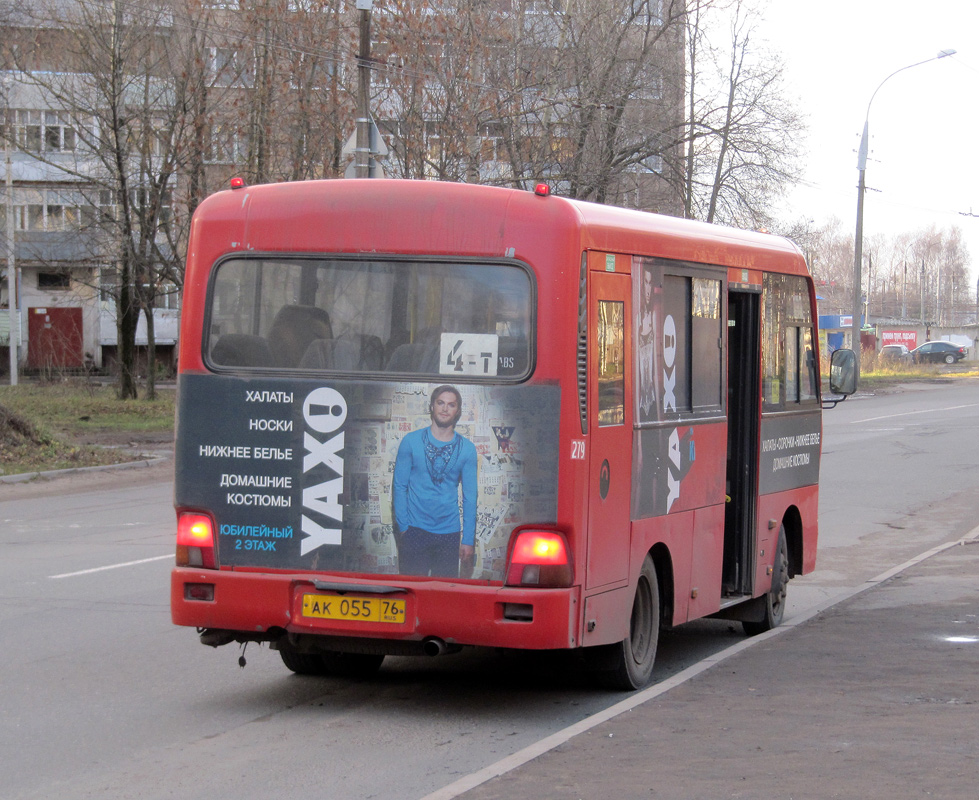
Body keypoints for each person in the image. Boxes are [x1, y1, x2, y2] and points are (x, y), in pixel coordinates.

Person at [392, 385, 478, 578]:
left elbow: (470, 497)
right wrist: (404, 528)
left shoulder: (467, 449)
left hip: (449, 533)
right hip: (414, 531)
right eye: (440, 403)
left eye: (451, 404)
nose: (445, 408)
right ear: (432, 406)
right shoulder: (411, 441)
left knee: (443, 598)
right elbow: (399, 487)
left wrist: (468, 539)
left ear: (457, 411)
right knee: (411, 593)